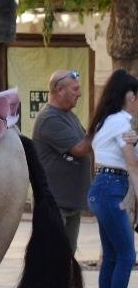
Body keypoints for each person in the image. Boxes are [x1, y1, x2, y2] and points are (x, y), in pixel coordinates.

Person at [87, 69, 138, 288]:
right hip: (112, 187)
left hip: (102, 187)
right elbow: (132, 165)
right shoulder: (121, 122)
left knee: (113, 255)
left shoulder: (106, 121)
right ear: (130, 96)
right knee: (127, 255)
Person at [32, 70, 91, 254]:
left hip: (69, 204)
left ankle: (64, 284)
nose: (79, 94)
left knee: (66, 257)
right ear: (59, 90)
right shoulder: (50, 118)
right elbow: (80, 149)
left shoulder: (68, 115)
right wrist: (102, 125)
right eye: (75, 89)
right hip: (55, 205)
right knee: (53, 258)